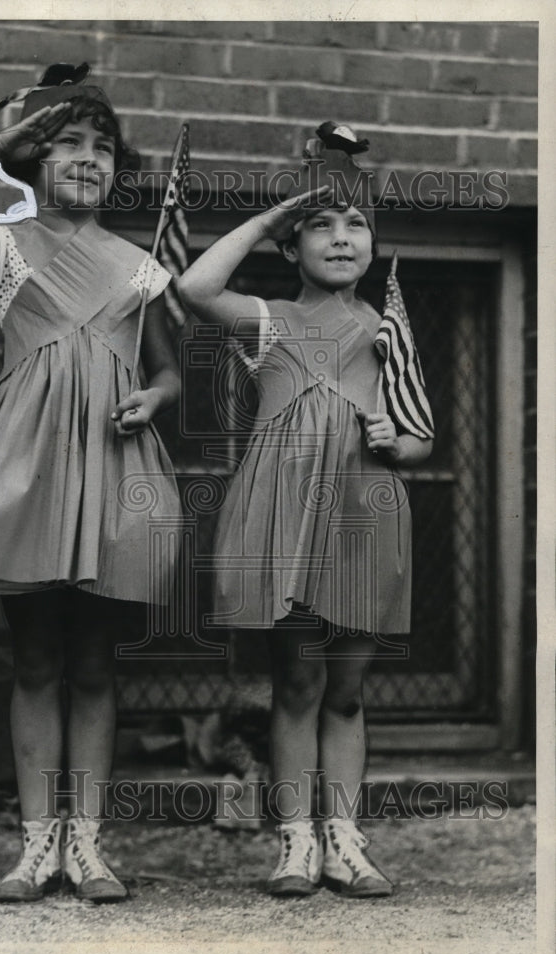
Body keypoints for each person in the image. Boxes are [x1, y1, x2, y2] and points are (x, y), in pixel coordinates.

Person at [0, 63, 181, 904]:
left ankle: (88, 844)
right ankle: (35, 846)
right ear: (34, 161)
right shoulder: (11, 242)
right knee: (33, 658)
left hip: (107, 463)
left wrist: (156, 395)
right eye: (67, 146)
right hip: (26, 469)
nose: (88, 160)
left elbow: (169, 373)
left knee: (96, 662)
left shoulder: (137, 266)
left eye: (102, 148)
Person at [177, 122, 433, 898]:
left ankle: (345, 836)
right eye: (319, 225)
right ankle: (295, 839)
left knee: (347, 688)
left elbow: (420, 436)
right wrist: (269, 215)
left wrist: (398, 437)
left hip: (365, 506)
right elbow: (193, 289)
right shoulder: (271, 321)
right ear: (290, 248)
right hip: (289, 509)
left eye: (356, 222)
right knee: (296, 681)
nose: (341, 236)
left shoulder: (386, 326)